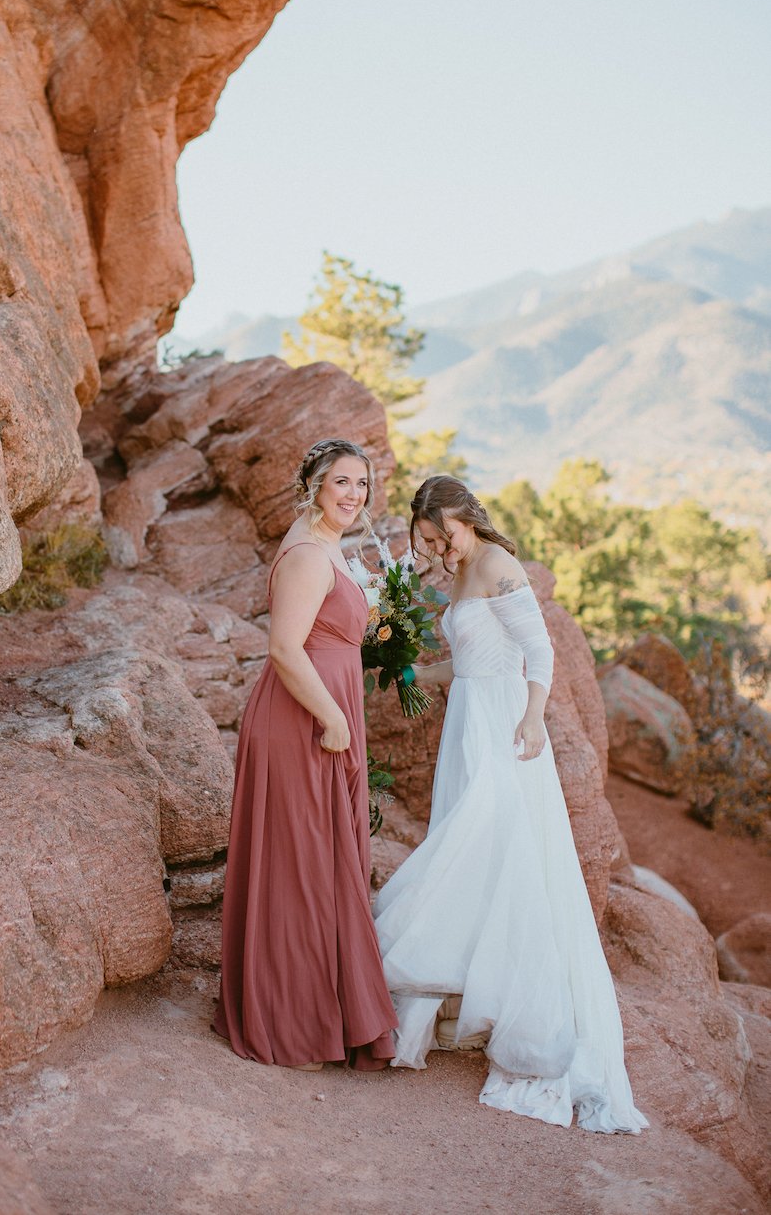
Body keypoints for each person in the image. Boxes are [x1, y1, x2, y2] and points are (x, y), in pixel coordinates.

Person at [374, 475, 647, 1131]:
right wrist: (405, 669)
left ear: (471, 519)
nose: (443, 547)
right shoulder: (460, 570)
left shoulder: (497, 564)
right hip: (468, 721)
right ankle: (455, 1003)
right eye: (432, 539)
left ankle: (460, 993)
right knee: (480, 857)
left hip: (504, 729)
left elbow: (540, 653)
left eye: (449, 534)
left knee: (483, 849)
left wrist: (532, 719)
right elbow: (466, 664)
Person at [213, 439, 397, 1072]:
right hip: (303, 719)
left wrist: (377, 628)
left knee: (322, 860)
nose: (353, 495)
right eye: (341, 482)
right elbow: (285, 650)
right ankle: (293, 1021)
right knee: (302, 866)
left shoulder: (328, 547)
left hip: (326, 710)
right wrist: (334, 719)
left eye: (362, 485)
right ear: (314, 485)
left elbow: (328, 631)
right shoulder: (304, 555)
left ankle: (326, 1012)